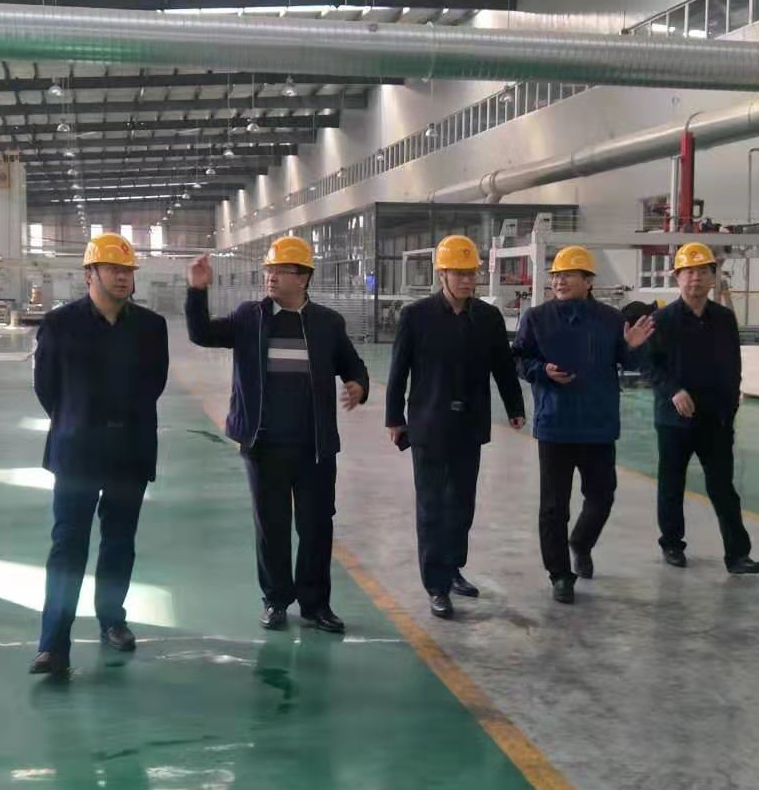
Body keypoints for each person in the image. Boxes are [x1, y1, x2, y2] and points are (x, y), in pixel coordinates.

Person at [186, 236, 369, 633]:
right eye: (269, 270)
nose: (270, 277)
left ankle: (316, 605)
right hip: (264, 444)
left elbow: (352, 364)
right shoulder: (249, 318)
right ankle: (275, 601)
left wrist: (358, 385)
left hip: (314, 447)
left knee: (317, 527)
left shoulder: (327, 323)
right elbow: (201, 333)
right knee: (271, 527)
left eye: (281, 270)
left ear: (303, 278)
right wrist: (197, 290)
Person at [29, 234, 170, 675]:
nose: (123, 278)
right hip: (78, 452)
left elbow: (155, 384)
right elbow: (47, 388)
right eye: (114, 269)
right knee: (68, 545)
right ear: (90, 273)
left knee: (119, 542)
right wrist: (77, 420)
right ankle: (53, 644)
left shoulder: (151, 327)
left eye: (128, 271)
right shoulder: (59, 325)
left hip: (130, 450)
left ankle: (112, 621)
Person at [385, 235, 525, 619]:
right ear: (442, 274)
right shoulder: (416, 316)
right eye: (458, 273)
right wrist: (394, 418)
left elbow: (503, 368)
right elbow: (398, 371)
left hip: (469, 425)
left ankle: (452, 567)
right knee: (432, 506)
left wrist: (515, 408)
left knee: (462, 503)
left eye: (470, 273)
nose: (466, 280)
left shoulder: (488, 318)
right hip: (429, 424)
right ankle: (437, 585)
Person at [514, 246, 654, 604]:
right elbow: (519, 360)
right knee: (553, 507)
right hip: (556, 424)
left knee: (602, 495)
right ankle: (560, 574)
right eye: (556, 276)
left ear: (588, 281)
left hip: (598, 424)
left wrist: (633, 347)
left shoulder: (610, 319)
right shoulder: (536, 318)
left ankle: (581, 542)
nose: (559, 281)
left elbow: (627, 362)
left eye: (568, 275)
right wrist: (542, 371)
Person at [645, 242, 759, 575]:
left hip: (715, 419)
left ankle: (737, 555)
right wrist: (673, 391)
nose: (695, 278)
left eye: (702, 271)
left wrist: (730, 410)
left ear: (713, 277)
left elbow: (733, 367)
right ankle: (672, 544)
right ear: (677, 278)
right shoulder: (662, 319)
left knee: (723, 488)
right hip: (674, 420)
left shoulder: (724, 319)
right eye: (688, 272)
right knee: (672, 484)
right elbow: (649, 365)